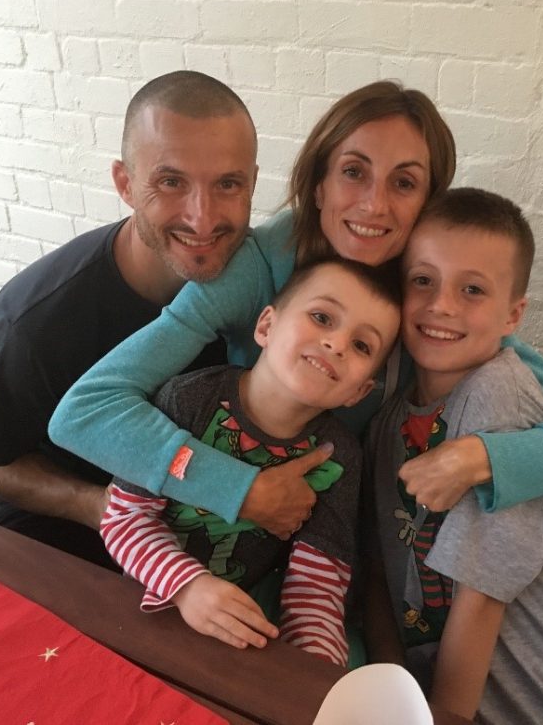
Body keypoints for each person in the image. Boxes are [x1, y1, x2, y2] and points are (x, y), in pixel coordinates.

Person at [49, 80, 543, 550]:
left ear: (429, 202)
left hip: (350, 548)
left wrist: (482, 457)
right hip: (226, 536)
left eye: (404, 183)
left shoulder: (430, 294)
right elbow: (85, 411)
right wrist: (236, 487)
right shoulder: (257, 267)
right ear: (319, 181)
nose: (374, 204)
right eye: (354, 172)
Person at [0, 71, 319, 567]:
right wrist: (101, 509)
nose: (202, 218)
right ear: (125, 183)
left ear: (253, 183)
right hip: (71, 543)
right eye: (171, 182)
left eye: (227, 184)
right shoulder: (35, 318)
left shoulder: (267, 283)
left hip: (212, 532)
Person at [365, 188, 543, 724]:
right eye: (423, 280)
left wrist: (440, 716)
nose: (441, 305)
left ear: (514, 315)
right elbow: (376, 569)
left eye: (472, 290)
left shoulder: (498, 395)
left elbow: (482, 598)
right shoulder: (395, 415)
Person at [102, 258, 401, 666]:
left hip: (245, 619)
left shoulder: (341, 457)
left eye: (362, 345)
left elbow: (315, 588)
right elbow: (123, 519)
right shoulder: (187, 400)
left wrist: (312, 673)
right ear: (266, 326)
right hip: (147, 597)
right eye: (321, 317)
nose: (337, 344)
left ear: (360, 391)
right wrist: (188, 587)